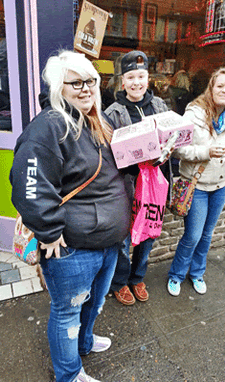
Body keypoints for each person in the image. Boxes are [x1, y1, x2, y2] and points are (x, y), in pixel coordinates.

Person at [10, 50, 132, 382]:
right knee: (67, 313)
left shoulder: (97, 119)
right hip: (74, 250)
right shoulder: (51, 126)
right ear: (57, 88)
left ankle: (85, 342)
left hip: (109, 242)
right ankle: (69, 373)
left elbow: (112, 172)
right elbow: (28, 184)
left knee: (93, 305)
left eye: (90, 80)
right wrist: (48, 231)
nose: (85, 88)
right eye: (74, 82)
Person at [167, 67, 225, 297]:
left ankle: (197, 273)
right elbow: (177, 148)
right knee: (192, 235)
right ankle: (176, 275)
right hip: (197, 185)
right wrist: (206, 152)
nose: (224, 90)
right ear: (211, 88)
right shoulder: (194, 113)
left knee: (207, 234)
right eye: (219, 85)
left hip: (221, 184)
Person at [105, 50, 173, 305]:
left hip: (154, 184)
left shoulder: (159, 106)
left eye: (141, 76)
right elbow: (107, 153)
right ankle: (120, 281)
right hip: (126, 186)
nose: (136, 82)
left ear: (148, 79)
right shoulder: (113, 112)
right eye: (131, 77)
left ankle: (137, 277)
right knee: (123, 239)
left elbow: (170, 140)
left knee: (149, 233)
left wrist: (167, 152)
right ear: (122, 81)